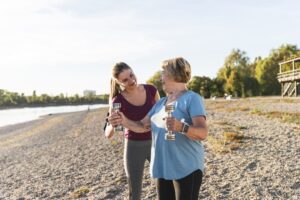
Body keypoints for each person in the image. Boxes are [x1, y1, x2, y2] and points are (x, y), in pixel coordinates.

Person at [110, 57, 208, 200]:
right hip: (163, 169)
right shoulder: (161, 103)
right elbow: (143, 126)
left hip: (187, 168)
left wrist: (181, 127)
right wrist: (123, 121)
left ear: (174, 75)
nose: (161, 78)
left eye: (163, 73)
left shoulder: (192, 98)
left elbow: (202, 133)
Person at [104, 62, 160, 200]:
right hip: (134, 147)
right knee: (135, 192)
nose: (131, 80)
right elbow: (109, 133)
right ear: (118, 82)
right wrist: (112, 124)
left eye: (131, 75)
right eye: (125, 80)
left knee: (164, 185)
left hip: (156, 143)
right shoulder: (117, 101)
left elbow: (161, 114)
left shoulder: (151, 90)